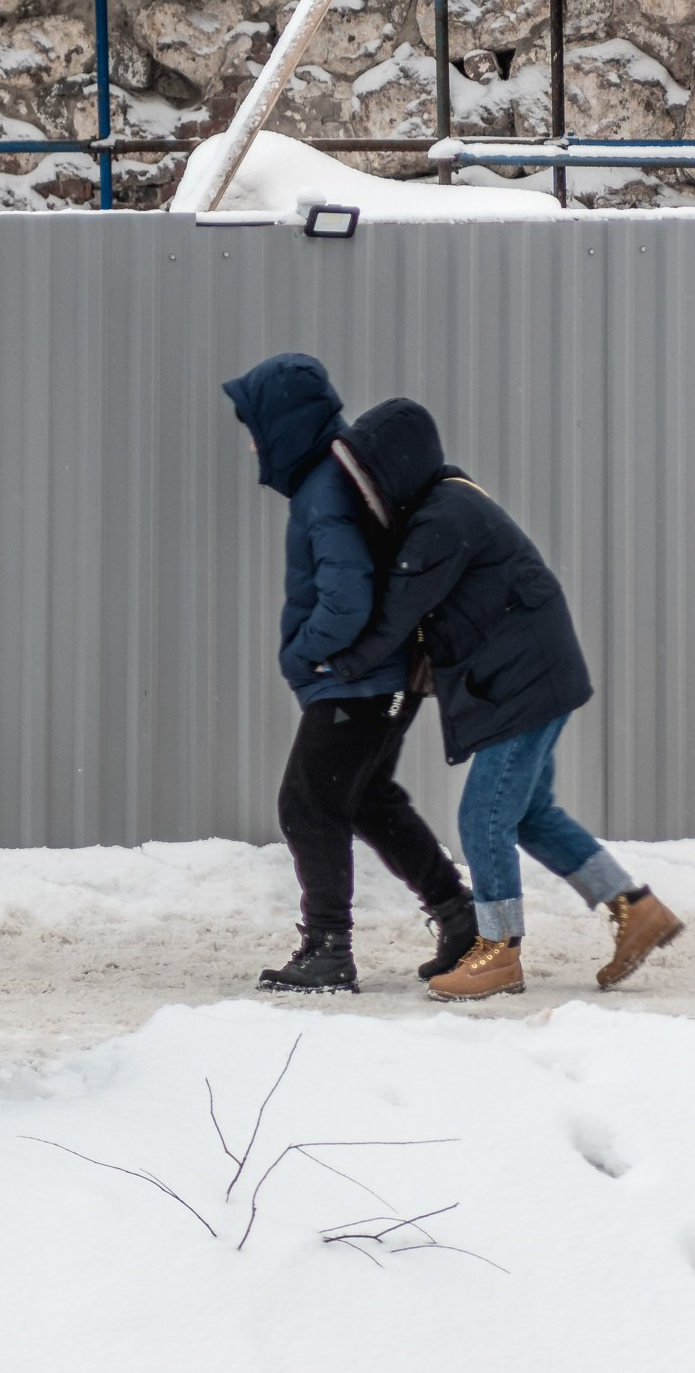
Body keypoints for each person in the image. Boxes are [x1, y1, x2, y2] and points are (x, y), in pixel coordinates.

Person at [322, 396, 684, 1000]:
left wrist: (336, 661)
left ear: (396, 470)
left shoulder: (442, 520)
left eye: (369, 477)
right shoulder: (446, 505)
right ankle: (634, 908)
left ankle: (498, 952)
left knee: (483, 816)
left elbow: (395, 616)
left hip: (524, 681)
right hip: (530, 676)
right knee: (529, 814)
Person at [224, 354, 477, 994]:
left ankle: (328, 950)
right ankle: (460, 919)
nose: (252, 441)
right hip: (377, 680)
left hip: (357, 680)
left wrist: (305, 651)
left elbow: (347, 596)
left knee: (306, 805)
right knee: (367, 799)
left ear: (285, 424)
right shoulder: (334, 476)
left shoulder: (326, 489)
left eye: (256, 426)